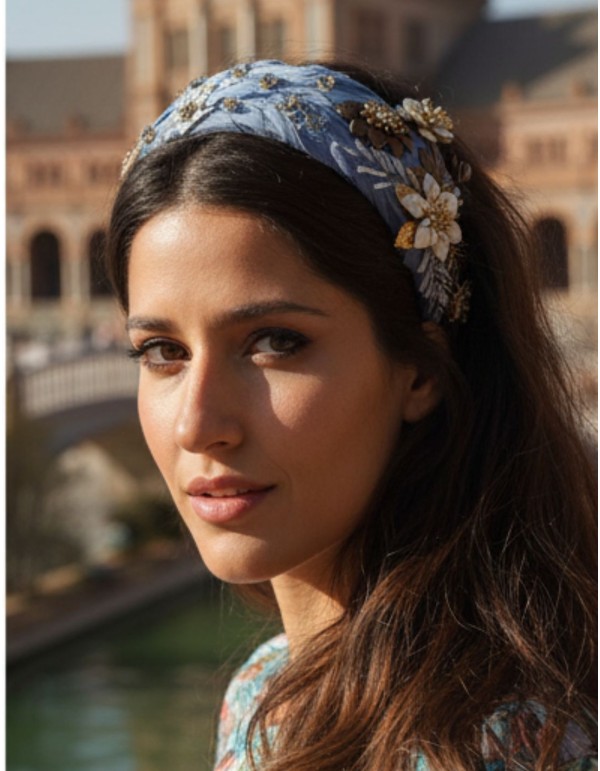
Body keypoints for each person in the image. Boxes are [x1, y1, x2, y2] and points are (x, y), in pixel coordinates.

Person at [107, 60, 596, 770]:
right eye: (162, 350)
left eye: (275, 342)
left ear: (421, 372)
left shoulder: (497, 744)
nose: (197, 423)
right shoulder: (268, 687)